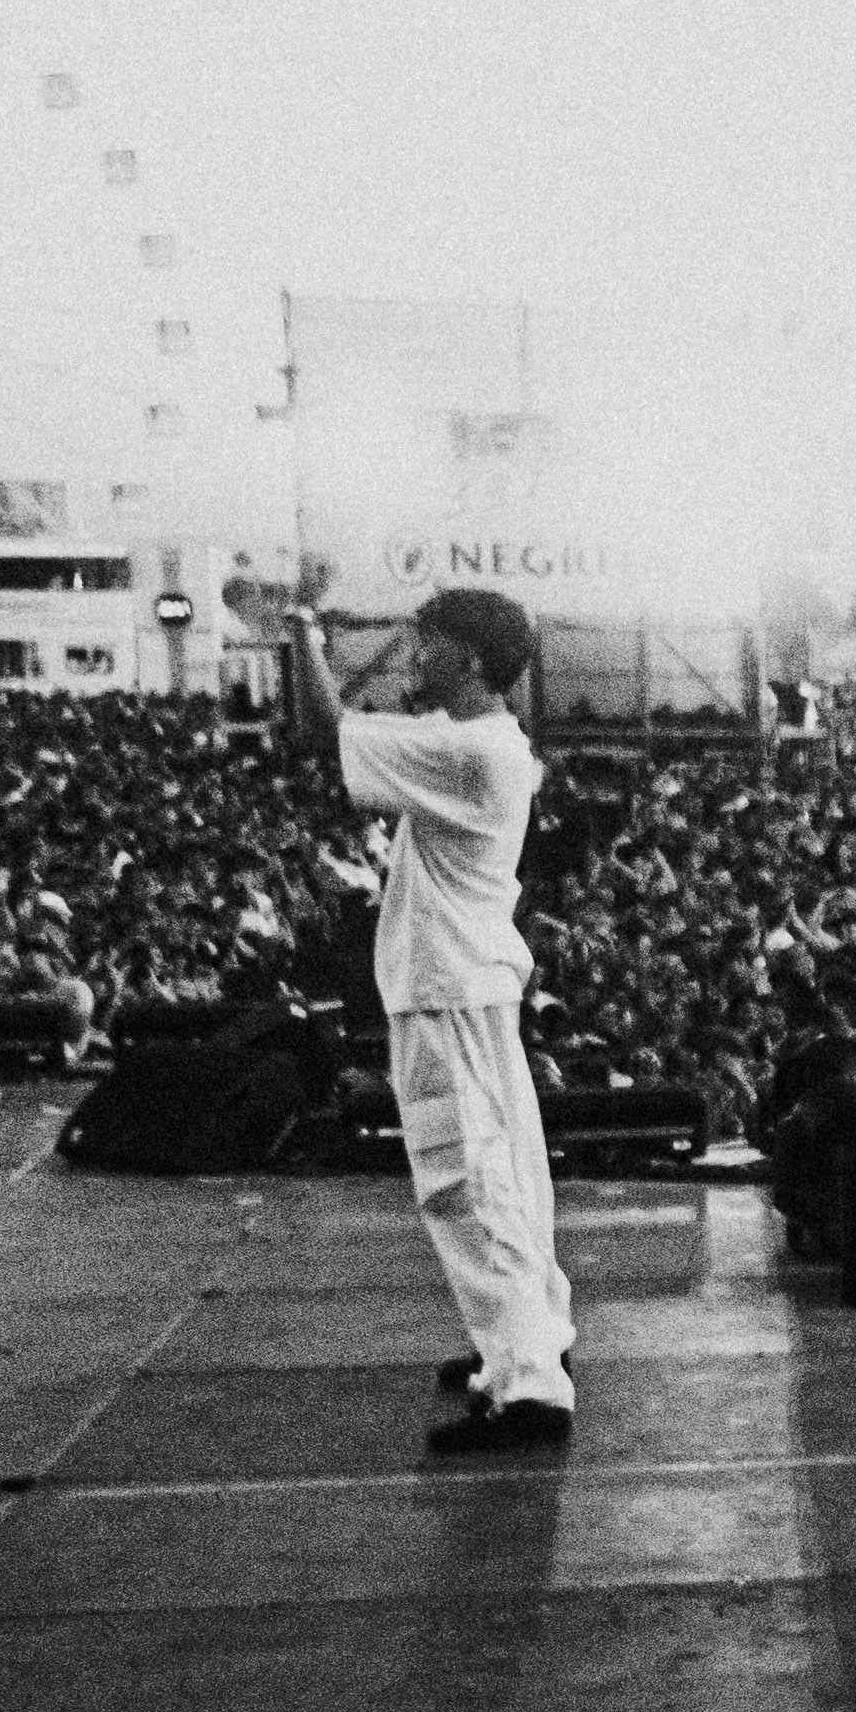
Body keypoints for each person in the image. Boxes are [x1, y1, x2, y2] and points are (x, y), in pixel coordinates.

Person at [284, 588, 577, 1457]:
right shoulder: (489, 746)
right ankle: (529, 1339)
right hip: (467, 981)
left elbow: (316, 727)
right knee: (509, 1174)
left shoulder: (468, 750)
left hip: (446, 988)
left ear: (475, 663)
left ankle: (529, 1385)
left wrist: (302, 632)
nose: (414, 657)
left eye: (430, 644)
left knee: (465, 1180)